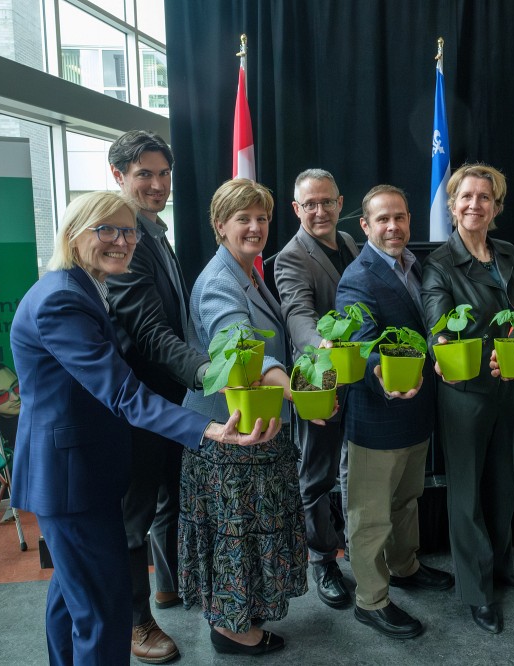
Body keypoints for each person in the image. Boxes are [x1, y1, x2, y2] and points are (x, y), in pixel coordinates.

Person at [8, 191, 279, 666]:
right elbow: (122, 393)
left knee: (72, 601)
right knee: (103, 610)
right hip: (72, 481)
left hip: (80, 473)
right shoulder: (62, 302)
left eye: (129, 230)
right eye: (106, 230)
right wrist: (208, 429)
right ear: (74, 234)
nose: (122, 240)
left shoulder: (79, 286)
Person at [179, 178, 307, 656]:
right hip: (229, 435)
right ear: (219, 225)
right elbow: (240, 348)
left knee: (249, 532)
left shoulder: (249, 271)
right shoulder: (218, 282)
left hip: (255, 426)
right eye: (243, 219)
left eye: (262, 218)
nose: (256, 227)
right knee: (235, 534)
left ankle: (241, 615)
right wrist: (298, 391)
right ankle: (230, 630)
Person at [105, 129, 210, 664]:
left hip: (170, 400)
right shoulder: (123, 243)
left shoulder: (155, 232)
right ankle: (136, 623)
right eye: (144, 173)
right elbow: (150, 334)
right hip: (136, 404)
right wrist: (208, 371)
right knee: (133, 518)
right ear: (118, 177)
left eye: (163, 174)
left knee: (172, 494)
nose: (157, 184)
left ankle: (167, 587)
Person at [335, 184, 454, 640]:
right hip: (378, 415)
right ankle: (372, 600)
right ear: (365, 226)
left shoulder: (415, 264)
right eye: (382, 219)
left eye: (400, 217)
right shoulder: (358, 277)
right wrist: (378, 370)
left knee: (407, 501)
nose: (393, 227)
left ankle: (404, 567)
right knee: (370, 515)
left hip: (415, 412)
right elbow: (360, 339)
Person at [420, 164, 514, 635]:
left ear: (496, 207)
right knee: (465, 494)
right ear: (452, 205)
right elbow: (438, 327)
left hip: (508, 387)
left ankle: (501, 564)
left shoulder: (507, 253)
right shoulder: (439, 265)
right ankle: (477, 590)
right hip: (465, 391)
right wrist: (442, 350)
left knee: (503, 484)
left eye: (485, 198)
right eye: (466, 197)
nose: (474, 205)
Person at [274, 168, 358, 610]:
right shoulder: (291, 257)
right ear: (297, 209)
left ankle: (352, 552)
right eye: (311, 204)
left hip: (354, 376)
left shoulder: (348, 243)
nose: (320, 211)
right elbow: (297, 315)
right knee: (317, 476)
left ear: (341, 203)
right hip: (316, 376)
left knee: (349, 470)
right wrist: (319, 345)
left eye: (327, 202)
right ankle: (322, 561)